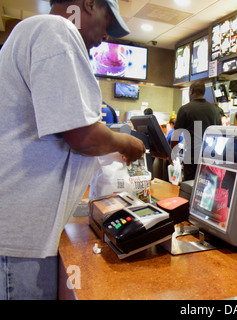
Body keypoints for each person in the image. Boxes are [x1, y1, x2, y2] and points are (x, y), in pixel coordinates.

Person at [0, 0, 146, 300]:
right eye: (108, 23)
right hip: (20, 238)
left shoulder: (34, 31)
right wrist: (127, 143)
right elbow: (82, 137)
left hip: (23, 234)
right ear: (89, 4)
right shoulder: (56, 28)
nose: (107, 36)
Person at [171, 81, 222, 181]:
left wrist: (173, 154)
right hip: (209, 158)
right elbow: (219, 133)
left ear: (191, 91)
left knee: (190, 187)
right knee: (206, 188)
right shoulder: (215, 110)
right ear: (204, 92)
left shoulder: (185, 109)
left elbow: (176, 135)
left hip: (191, 157)